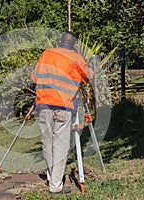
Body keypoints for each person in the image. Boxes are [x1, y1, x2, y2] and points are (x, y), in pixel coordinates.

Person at [31, 32, 93, 194]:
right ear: (73, 44)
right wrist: (80, 56)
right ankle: (56, 185)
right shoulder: (76, 57)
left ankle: (53, 177)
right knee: (60, 144)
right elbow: (88, 76)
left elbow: (34, 76)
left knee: (47, 141)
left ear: (60, 42)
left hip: (43, 103)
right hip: (64, 106)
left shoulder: (47, 53)